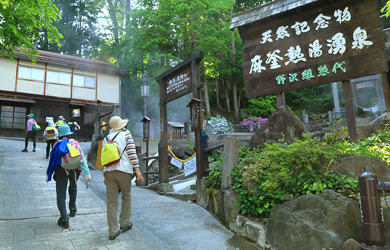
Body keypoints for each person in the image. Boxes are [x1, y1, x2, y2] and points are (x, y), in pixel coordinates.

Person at [103, 116, 144, 240]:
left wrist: (104, 174)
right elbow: (132, 153)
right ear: (121, 125)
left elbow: (103, 157)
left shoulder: (106, 138)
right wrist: (137, 170)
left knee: (111, 202)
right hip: (124, 171)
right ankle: (124, 224)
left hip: (109, 172)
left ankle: (113, 231)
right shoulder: (126, 134)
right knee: (126, 196)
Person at [46, 124, 91, 229]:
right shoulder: (75, 143)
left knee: (61, 193)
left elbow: (53, 160)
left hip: (62, 170)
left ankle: (64, 219)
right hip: (76, 170)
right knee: (73, 187)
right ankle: (73, 209)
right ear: (69, 134)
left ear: (60, 135)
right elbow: (82, 158)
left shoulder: (57, 144)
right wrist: (87, 172)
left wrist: (49, 174)